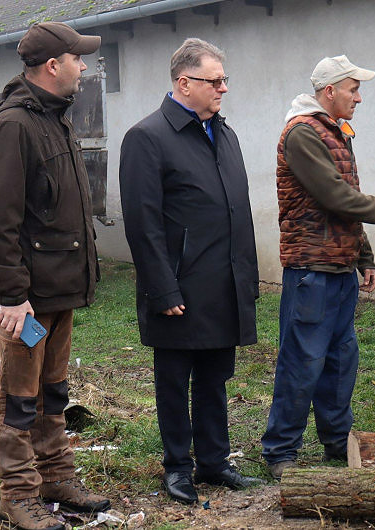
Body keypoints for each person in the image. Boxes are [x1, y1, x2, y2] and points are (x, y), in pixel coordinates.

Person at [0, 21, 110, 530]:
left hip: (58, 292)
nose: (84, 65)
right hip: (26, 301)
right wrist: (12, 297)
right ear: (53, 65)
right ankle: (18, 494)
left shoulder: (54, 118)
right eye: (77, 57)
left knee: (53, 390)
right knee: (19, 398)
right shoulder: (15, 125)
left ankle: (55, 476)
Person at [119, 38, 262, 504]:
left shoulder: (224, 132)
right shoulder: (147, 137)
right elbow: (143, 224)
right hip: (179, 286)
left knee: (216, 378)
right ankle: (178, 466)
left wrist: (246, 277)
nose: (224, 87)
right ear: (184, 82)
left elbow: (236, 211)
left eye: (224, 79)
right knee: (174, 381)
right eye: (214, 80)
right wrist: (162, 288)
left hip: (223, 282)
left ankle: (215, 461)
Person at [261, 55, 375, 480]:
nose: (358, 98)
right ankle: (280, 451)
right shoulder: (303, 135)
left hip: (339, 267)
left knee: (340, 359)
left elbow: (347, 199)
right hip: (311, 268)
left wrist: (363, 257)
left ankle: (335, 441)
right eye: (352, 90)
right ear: (329, 92)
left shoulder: (335, 133)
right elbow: (334, 196)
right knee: (302, 360)